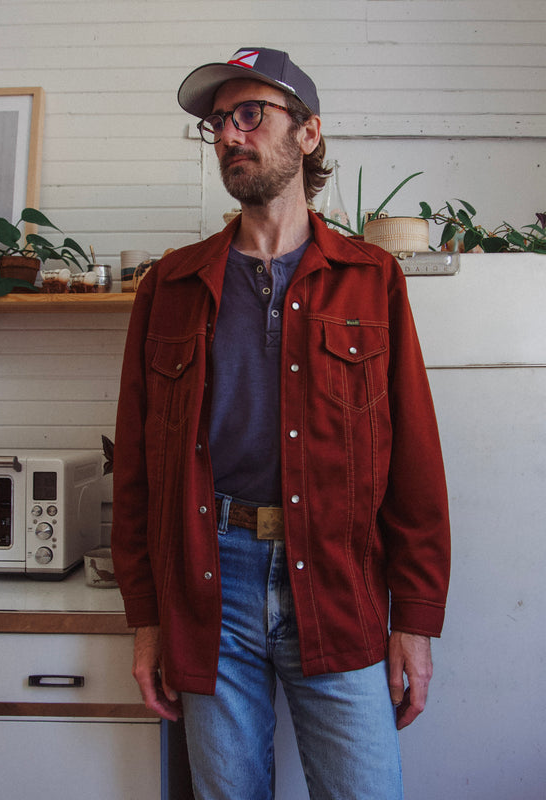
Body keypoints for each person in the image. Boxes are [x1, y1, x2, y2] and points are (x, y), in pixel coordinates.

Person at [112, 46, 450, 800]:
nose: (230, 136)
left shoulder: (370, 277)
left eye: (249, 115)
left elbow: (415, 466)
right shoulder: (168, 287)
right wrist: (146, 621)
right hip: (208, 582)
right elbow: (137, 470)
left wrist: (416, 620)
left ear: (307, 133)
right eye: (217, 124)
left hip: (338, 577)